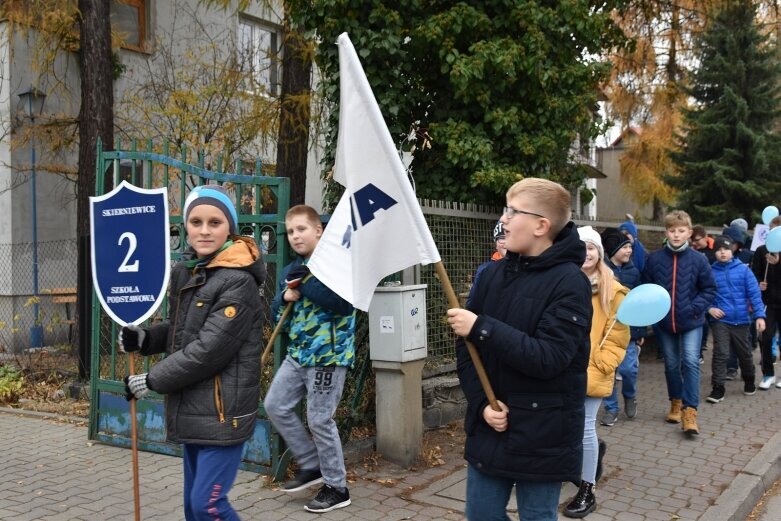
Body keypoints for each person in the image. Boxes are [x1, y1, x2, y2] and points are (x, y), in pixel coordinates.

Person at [446, 178, 592, 521]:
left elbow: (550, 357)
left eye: (513, 211)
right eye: (505, 209)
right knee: (480, 515)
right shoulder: (492, 274)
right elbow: (467, 351)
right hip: (490, 426)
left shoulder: (571, 282)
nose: (504, 219)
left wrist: (481, 327)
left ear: (542, 225)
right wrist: (482, 405)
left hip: (543, 433)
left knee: (537, 516)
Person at [120, 185, 266, 521]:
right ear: (185, 226)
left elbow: (208, 350)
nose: (204, 230)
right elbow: (180, 330)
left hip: (222, 413)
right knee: (193, 509)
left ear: (229, 227)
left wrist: (152, 380)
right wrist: (145, 339)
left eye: (214, 222)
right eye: (196, 221)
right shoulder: (190, 271)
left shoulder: (237, 283)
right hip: (193, 409)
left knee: (208, 506)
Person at [263, 204, 357, 514]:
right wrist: (283, 297)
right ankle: (311, 463)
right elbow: (280, 316)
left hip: (328, 357)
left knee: (319, 418)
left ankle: (337, 487)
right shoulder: (292, 270)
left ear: (318, 231)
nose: (295, 236)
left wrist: (305, 284)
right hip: (298, 355)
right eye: (290, 231)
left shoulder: (335, 265)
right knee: (274, 404)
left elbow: (344, 305)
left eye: (301, 229)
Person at [562, 226, 629, 518]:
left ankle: (587, 490)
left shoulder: (613, 291)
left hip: (592, 369)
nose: (586, 253)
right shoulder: (562, 282)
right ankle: (570, 466)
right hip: (561, 367)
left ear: (599, 253)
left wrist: (602, 362)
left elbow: (618, 337)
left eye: (591, 248)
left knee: (586, 426)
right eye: (581, 247)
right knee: (563, 425)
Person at [642, 210, 716, 436]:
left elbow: (709, 289)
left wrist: (694, 307)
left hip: (692, 321)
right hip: (664, 324)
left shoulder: (699, 260)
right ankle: (675, 401)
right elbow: (646, 287)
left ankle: (690, 411)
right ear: (666, 232)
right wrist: (654, 312)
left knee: (691, 362)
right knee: (672, 364)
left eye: (681, 231)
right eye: (672, 230)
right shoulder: (654, 259)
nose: (676, 235)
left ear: (689, 233)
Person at [705, 235, 766, 403]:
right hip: (721, 321)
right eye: (718, 250)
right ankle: (718, 388)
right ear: (714, 253)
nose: (722, 253)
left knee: (745, 354)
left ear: (732, 250)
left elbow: (754, 294)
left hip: (742, 320)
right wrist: (709, 308)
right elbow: (704, 294)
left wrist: (760, 316)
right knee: (720, 353)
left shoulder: (744, 270)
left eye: (725, 249)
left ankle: (749, 379)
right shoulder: (710, 272)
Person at [599, 228, 644, 427]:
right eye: (625, 247)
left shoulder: (634, 272)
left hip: (628, 333)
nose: (629, 251)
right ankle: (611, 408)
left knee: (628, 370)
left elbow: (640, 304)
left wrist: (640, 330)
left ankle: (630, 395)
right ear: (612, 250)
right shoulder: (602, 272)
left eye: (630, 247)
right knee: (608, 371)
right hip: (605, 332)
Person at [751, 216, 781, 389]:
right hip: (768, 302)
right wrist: (758, 283)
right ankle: (768, 374)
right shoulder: (762, 251)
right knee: (765, 337)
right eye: (772, 231)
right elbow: (754, 273)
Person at [466, 220, 507, 307]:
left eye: (510, 237)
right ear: (495, 243)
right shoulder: (484, 270)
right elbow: (473, 304)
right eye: (502, 238)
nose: (506, 242)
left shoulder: (528, 269)